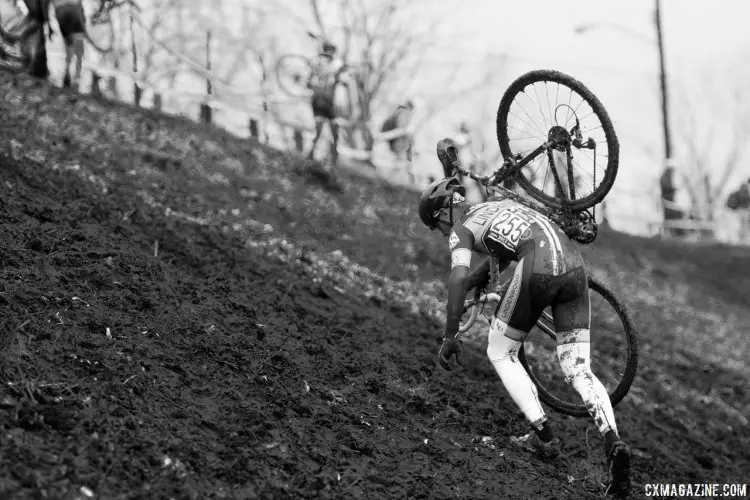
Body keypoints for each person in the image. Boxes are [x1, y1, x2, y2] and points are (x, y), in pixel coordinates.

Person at [418, 174, 631, 498]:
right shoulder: (495, 206)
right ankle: (613, 442)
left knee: (500, 351)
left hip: (538, 267)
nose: (442, 232)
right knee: (578, 369)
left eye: (437, 225)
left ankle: (544, 437)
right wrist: (479, 282)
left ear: (446, 210)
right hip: (573, 268)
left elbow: (457, 280)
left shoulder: (461, 230)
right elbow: (501, 253)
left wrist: (450, 335)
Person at [306, 40, 345, 168]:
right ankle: (329, 158)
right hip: (324, 101)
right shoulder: (333, 64)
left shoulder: (316, 61)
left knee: (324, 129)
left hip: (320, 100)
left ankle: (323, 155)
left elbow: (308, 81)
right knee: (330, 130)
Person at [48, 0, 86, 88]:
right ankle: (77, 77)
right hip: (74, 8)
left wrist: (49, 23)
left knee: (69, 43)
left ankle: (68, 70)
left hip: (60, 10)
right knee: (79, 45)